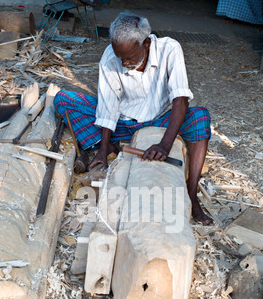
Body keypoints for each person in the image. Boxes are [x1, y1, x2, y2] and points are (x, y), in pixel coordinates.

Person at [54, 11, 213, 225]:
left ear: (146, 43)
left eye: (129, 57)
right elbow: (108, 104)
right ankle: (109, 145)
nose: (124, 62)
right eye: (120, 57)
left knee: (200, 117)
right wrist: (102, 151)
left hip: (160, 120)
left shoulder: (170, 49)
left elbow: (181, 100)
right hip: (124, 122)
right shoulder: (111, 57)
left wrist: (164, 145)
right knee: (63, 100)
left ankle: (192, 197)